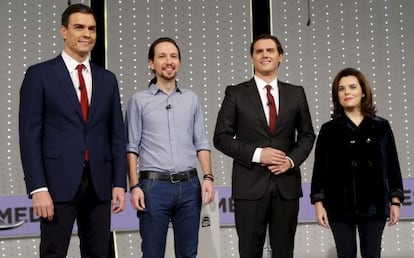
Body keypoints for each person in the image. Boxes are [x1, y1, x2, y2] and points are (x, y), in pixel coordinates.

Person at [18, 4, 127, 257]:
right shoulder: (39, 75)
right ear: (63, 31)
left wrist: (119, 183)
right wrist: (38, 188)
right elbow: (29, 136)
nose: (86, 34)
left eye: (92, 29)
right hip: (56, 185)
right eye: (79, 27)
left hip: (99, 184)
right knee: (53, 252)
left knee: (99, 253)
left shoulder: (107, 79)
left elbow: (116, 135)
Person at [213, 34, 315, 258]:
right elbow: (221, 137)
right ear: (252, 58)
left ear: (280, 57)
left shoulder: (296, 93)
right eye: (259, 51)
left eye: (270, 50)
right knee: (249, 252)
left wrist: (290, 161)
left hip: (286, 186)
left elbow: (307, 135)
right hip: (249, 188)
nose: (265, 55)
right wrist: (259, 154)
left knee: (284, 252)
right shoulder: (236, 93)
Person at [125, 37, 215, 258]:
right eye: (162, 56)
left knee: (188, 254)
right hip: (154, 188)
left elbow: (201, 142)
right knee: (152, 253)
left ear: (180, 63)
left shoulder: (191, 99)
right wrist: (134, 186)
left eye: (173, 56)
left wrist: (208, 177)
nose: (169, 61)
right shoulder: (138, 101)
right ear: (151, 63)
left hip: (190, 186)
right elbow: (131, 147)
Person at [310, 67, 404, 258]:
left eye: (352, 87)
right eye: (341, 89)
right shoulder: (329, 130)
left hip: (374, 203)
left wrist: (395, 201)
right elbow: (320, 169)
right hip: (339, 204)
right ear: (336, 95)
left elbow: (392, 165)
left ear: (363, 92)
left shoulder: (381, 126)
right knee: (346, 253)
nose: (347, 92)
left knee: (372, 253)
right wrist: (318, 203)